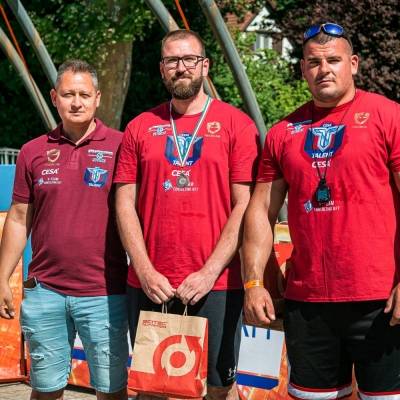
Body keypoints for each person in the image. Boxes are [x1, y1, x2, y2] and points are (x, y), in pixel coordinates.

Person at [243, 22, 400, 400]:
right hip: (308, 303)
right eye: (314, 62)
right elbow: (260, 210)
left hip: (380, 300)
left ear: (354, 64)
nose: (324, 69)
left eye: (334, 60)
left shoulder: (388, 116)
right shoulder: (283, 132)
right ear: (303, 69)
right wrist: (254, 283)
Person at [114, 29, 259, 400]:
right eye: (172, 61)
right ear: (162, 68)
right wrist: (144, 270)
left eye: (189, 59)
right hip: (151, 283)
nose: (181, 67)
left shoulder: (237, 124)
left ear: (205, 66)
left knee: (219, 388)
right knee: (152, 388)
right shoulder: (139, 127)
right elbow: (124, 202)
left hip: (217, 284)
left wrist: (208, 272)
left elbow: (244, 205)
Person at [0, 60, 129, 400]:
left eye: (84, 95)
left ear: (97, 98)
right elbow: (19, 217)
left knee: (112, 391)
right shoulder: (32, 151)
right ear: (54, 97)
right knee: (45, 391)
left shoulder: (122, 146)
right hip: (46, 292)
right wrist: (1, 277)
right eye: (68, 94)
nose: (76, 102)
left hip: (105, 293)